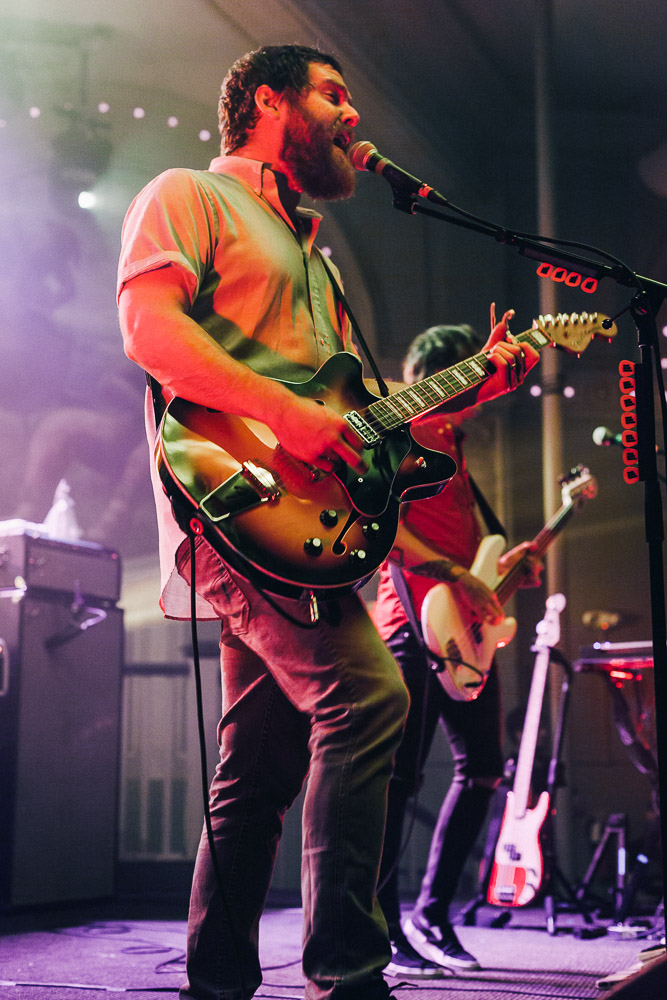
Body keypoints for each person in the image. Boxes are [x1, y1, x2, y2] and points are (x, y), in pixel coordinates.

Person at [116, 45, 538, 1000]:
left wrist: (469, 391)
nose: (353, 113)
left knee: (257, 764)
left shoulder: (313, 254)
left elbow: (361, 420)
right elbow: (151, 331)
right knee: (371, 699)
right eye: (333, 93)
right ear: (269, 101)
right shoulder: (188, 194)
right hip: (234, 498)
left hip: (304, 532)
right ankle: (347, 969)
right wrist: (292, 416)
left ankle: (216, 980)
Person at [374, 321, 543, 977]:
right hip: (407, 618)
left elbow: (472, 546)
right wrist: (455, 576)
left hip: (464, 623)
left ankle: (432, 914)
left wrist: (506, 566)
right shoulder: (408, 430)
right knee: (399, 775)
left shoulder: (456, 447)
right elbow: (385, 532)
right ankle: (383, 923)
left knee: (482, 770)